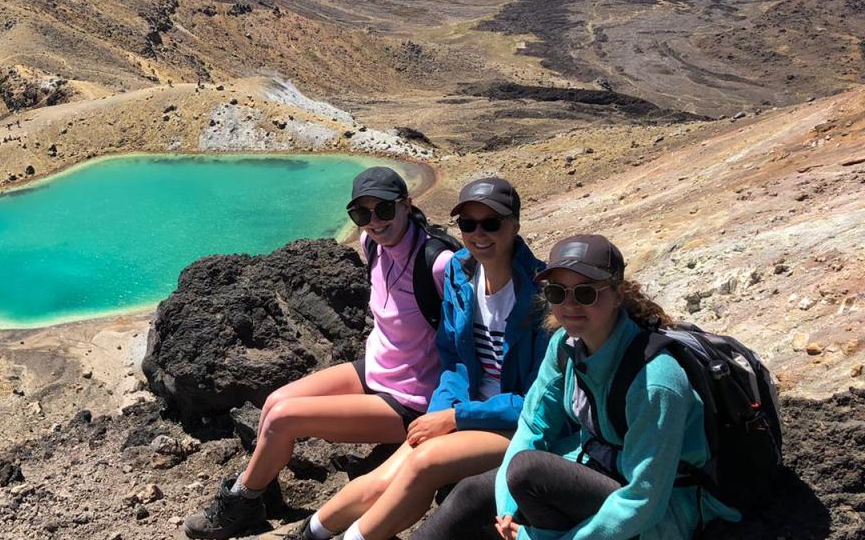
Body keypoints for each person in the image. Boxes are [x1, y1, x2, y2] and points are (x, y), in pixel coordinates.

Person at [183, 167, 456, 539]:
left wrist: (454, 413)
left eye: (384, 210)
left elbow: (470, 339)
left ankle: (241, 503)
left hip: (412, 399)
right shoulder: (371, 245)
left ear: (407, 205)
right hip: (377, 367)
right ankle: (261, 493)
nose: (373, 222)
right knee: (274, 403)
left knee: (284, 419)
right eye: (362, 213)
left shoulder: (438, 264)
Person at [413, 234, 740, 540]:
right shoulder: (564, 346)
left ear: (617, 294)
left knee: (528, 472)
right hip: (602, 468)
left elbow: (644, 500)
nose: (570, 305)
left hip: (663, 509)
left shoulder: (655, 381)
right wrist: (507, 508)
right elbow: (532, 425)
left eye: (586, 293)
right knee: (476, 491)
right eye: (558, 292)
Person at [284, 178, 550, 540]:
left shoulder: (542, 296)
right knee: (384, 476)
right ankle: (309, 532)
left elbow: (538, 402)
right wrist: (440, 414)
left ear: (515, 226)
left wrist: (455, 417)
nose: (478, 234)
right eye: (468, 224)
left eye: (491, 223)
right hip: (463, 409)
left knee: (422, 463)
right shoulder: (460, 272)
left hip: (516, 424)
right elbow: (453, 359)